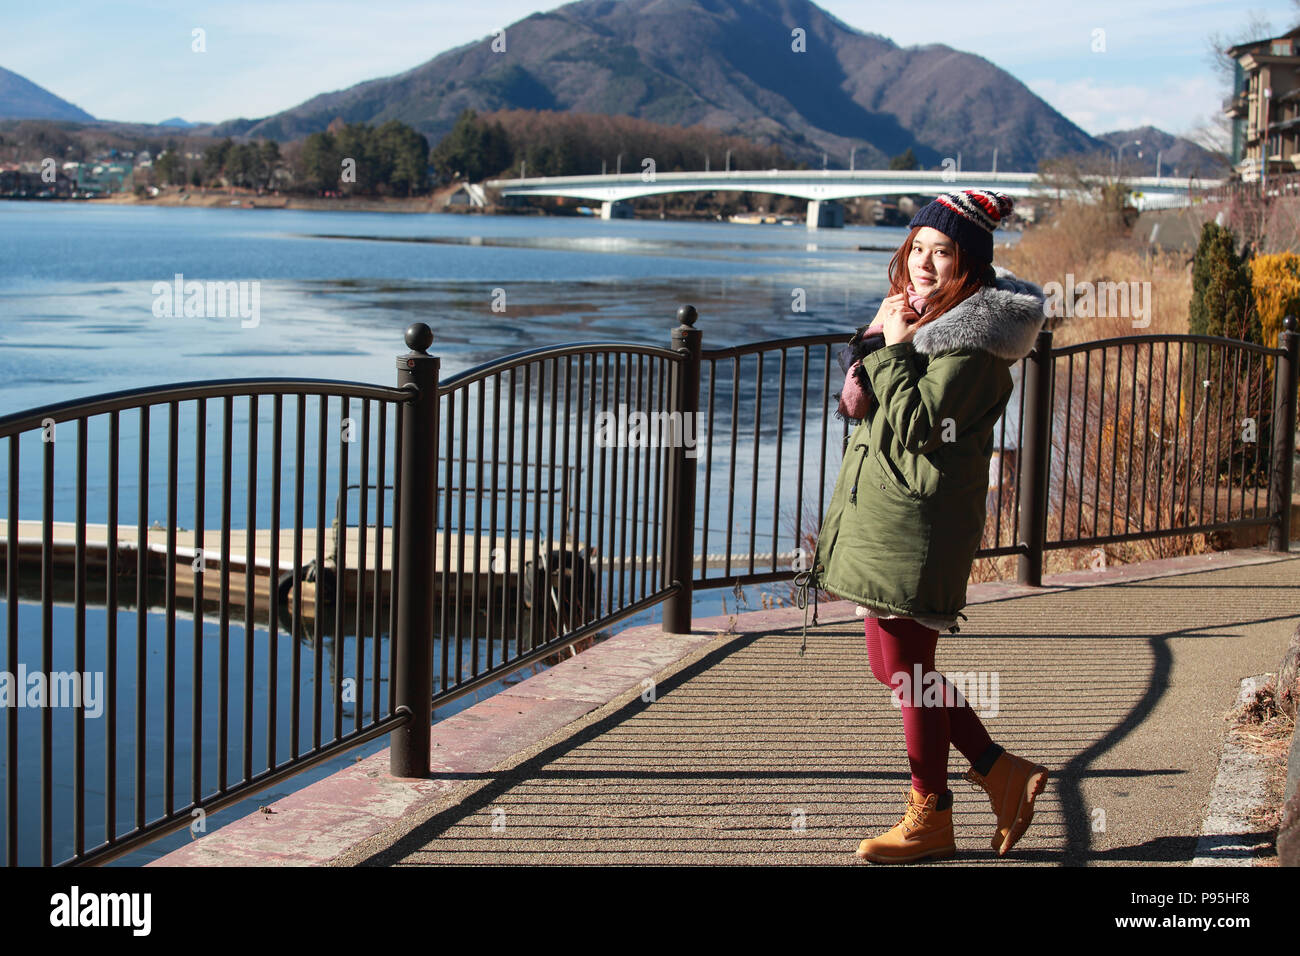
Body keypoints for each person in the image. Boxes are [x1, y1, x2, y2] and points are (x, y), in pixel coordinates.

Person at [808, 189, 1050, 864]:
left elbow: (921, 427)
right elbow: (867, 407)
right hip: (890, 515)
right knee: (898, 666)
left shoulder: (972, 346)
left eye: (941, 252)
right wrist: (880, 344)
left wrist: (889, 348)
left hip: (921, 521)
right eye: (917, 246)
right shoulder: (920, 319)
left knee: (906, 670)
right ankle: (1000, 774)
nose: (923, 262)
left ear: (967, 263)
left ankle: (932, 815)